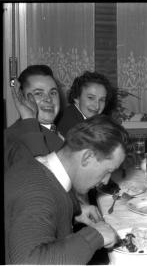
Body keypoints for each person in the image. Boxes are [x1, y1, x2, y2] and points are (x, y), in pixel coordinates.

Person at [5, 115, 129, 264]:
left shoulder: (38, 167)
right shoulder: (37, 193)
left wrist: (74, 212)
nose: (106, 180)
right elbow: (27, 262)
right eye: (107, 170)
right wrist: (95, 236)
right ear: (87, 157)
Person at [4, 65, 64, 171]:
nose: (49, 99)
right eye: (38, 93)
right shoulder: (15, 139)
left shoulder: (60, 132)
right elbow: (40, 180)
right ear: (21, 98)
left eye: (53, 93)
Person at [56, 71, 115, 137]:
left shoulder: (85, 120)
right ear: (76, 97)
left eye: (101, 100)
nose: (97, 106)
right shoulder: (72, 125)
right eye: (91, 98)